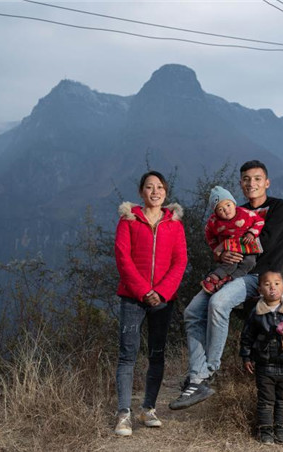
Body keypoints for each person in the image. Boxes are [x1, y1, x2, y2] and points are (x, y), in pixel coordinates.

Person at [169, 160, 283, 410]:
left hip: (259, 277)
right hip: (229, 273)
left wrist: (228, 246)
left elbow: (263, 244)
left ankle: (209, 371)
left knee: (218, 304)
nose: (251, 183)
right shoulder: (234, 209)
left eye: (257, 179)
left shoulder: (279, 208)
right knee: (192, 312)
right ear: (240, 184)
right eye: (246, 179)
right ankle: (197, 376)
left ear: (267, 182)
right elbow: (217, 243)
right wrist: (220, 253)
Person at [113, 171, 188, 436]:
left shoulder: (174, 224)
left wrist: (162, 292)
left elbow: (180, 261)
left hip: (163, 300)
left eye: (159, 187)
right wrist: (144, 291)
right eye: (149, 187)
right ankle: (124, 414)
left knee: (157, 354)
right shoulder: (128, 220)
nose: (155, 192)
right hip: (133, 298)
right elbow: (122, 258)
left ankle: (148, 409)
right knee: (127, 355)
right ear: (141, 192)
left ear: (166, 192)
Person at [240, 271, 283, 444]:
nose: (272, 288)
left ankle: (281, 430)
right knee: (266, 400)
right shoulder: (257, 313)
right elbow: (247, 336)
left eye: (277, 284)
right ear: (260, 290)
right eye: (267, 284)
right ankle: (265, 431)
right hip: (264, 364)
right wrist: (246, 357)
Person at [201, 185, 265, 294]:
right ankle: (213, 279)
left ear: (234, 203)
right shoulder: (214, 222)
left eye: (228, 205)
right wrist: (217, 249)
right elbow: (209, 234)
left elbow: (259, 221)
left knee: (250, 262)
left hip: (246, 245)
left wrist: (251, 233)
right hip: (230, 247)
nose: (226, 210)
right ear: (215, 212)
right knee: (230, 263)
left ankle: (230, 280)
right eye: (220, 209)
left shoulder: (245, 213)